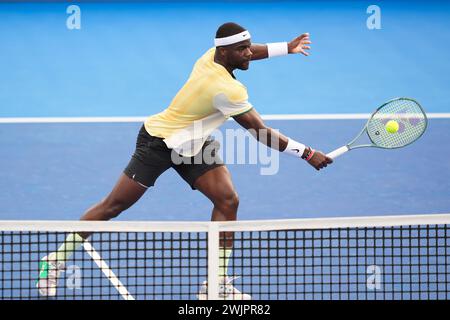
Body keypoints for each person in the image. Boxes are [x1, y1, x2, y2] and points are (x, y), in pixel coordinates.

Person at [37, 22, 332, 300]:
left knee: (227, 200)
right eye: (243, 50)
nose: (249, 54)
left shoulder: (212, 55)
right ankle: (55, 261)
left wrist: (286, 48)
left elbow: (251, 50)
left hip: (195, 143)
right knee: (113, 206)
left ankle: (215, 283)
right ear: (225, 53)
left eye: (249, 47)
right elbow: (261, 133)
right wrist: (307, 153)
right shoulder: (226, 89)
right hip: (159, 143)